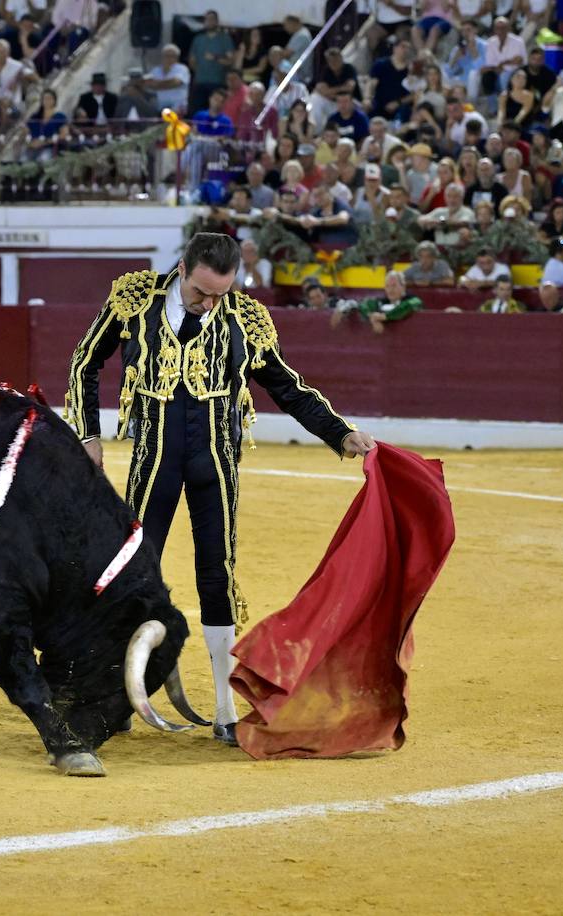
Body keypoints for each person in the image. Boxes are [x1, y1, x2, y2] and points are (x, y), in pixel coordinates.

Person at [65, 233, 375, 746]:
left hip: (216, 466)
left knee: (217, 575)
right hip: (154, 461)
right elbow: (84, 361)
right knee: (135, 575)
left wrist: (339, 432)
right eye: (201, 292)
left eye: (220, 294)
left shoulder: (244, 320)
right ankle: (115, 696)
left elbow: (286, 387)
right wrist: (87, 434)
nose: (210, 303)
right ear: (182, 268)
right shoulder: (134, 299)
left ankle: (226, 709)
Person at [341, 270, 423, 332]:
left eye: (394, 285)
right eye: (387, 286)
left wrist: (384, 317)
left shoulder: (412, 300)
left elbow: (407, 307)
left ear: (403, 287)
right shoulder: (382, 301)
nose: (390, 290)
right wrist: (372, 317)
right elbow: (364, 304)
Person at [146, 43, 190, 114]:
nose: (169, 58)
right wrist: (162, 84)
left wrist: (156, 85)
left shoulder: (182, 69)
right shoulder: (155, 70)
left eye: (172, 56)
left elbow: (175, 83)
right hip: (159, 108)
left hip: (177, 108)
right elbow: (148, 85)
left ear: (177, 58)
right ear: (162, 57)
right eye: (166, 56)